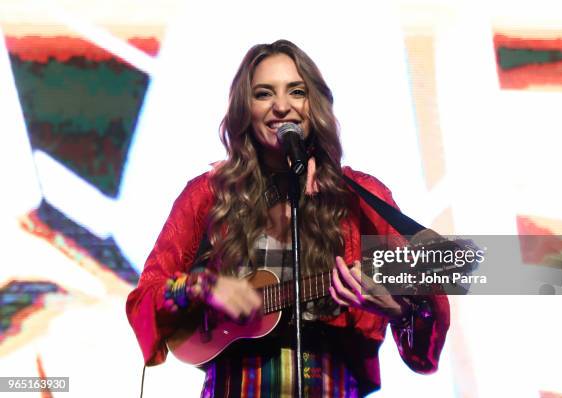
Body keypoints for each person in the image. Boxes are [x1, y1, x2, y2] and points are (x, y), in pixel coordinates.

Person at [126, 39, 450, 397]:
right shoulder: (208, 195)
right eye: (264, 94)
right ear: (243, 109)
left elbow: (427, 315)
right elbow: (146, 298)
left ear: (315, 104)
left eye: (296, 91)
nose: (282, 107)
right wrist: (202, 287)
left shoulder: (359, 197)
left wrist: (397, 309)